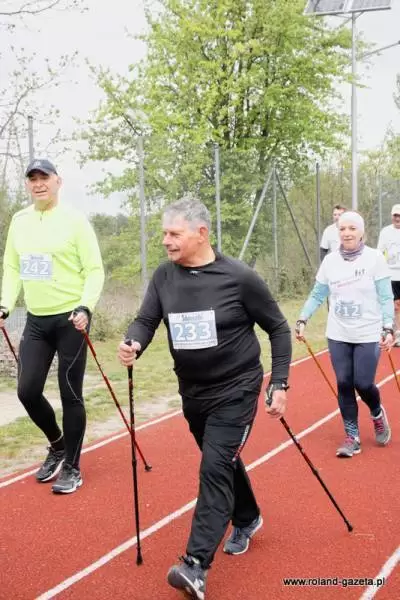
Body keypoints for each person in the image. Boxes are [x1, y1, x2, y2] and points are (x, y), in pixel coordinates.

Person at [118, 197, 291, 600]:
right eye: (164, 233)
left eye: (174, 233)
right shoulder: (164, 276)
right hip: (193, 392)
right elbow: (146, 320)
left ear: (201, 233)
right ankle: (247, 517)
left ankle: (195, 565)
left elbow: (278, 329)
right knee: (222, 461)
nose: (166, 241)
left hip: (237, 389)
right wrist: (133, 342)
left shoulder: (239, 277)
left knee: (213, 467)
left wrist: (280, 383)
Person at [0, 158, 104, 494]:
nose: (38, 184)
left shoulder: (75, 220)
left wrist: (86, 306)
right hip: (36, 320)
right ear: (27, 185)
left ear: (58, 181)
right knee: (27, 391)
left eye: (44, 177)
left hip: (71, 319)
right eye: (32, 179)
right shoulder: (19, 221)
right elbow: (12, 267)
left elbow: (94, 269)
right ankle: (58, 445)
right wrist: (5, 303)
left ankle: (72, 466)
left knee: (70, 393)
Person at [296, 211, 393, 459]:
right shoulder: (330, 262)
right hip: (338, 332)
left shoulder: (374, 259)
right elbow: (318, 294)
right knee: (343, 382)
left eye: (352, 228)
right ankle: (352, 437)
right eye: (342, 229)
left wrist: (388, 327)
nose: (347, 233)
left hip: (367, 332)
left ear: (361, 232)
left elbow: (386, 297)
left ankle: (376, 412)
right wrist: (303, 318)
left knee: (363, 383)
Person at [377, 203, 400, 346]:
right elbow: (379, 252)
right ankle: (395, 332)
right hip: (391, 274)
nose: (398, 218)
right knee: (394, 305)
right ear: (392, 216)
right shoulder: (385, 232)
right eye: (395, 216)